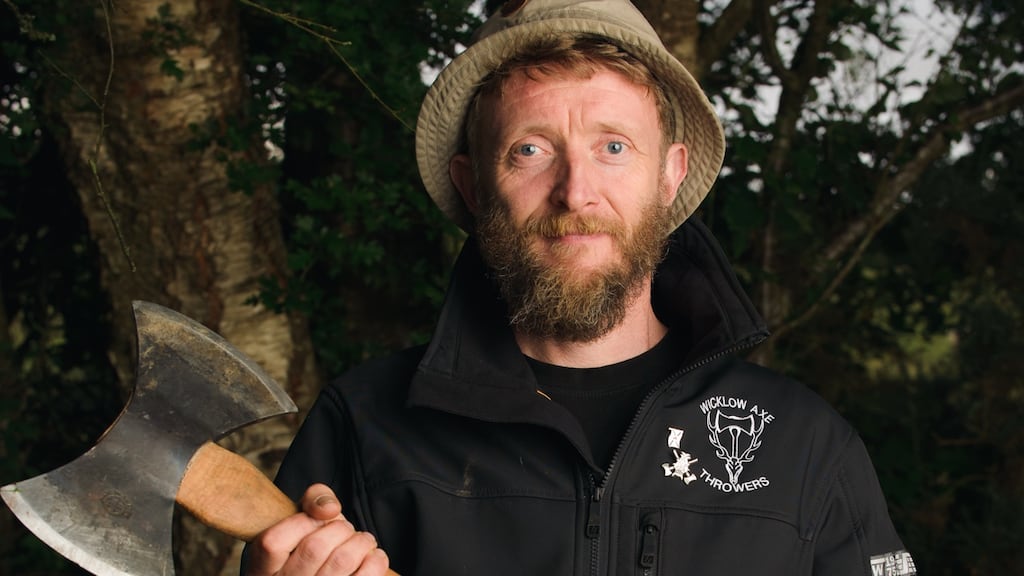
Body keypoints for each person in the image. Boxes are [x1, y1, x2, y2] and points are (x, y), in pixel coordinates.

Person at [242, 0, 916, 574]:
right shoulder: (365, 428)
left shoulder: (805, 447)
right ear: (473, 186)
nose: (576, 192)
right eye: (530, 150)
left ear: (670, 176)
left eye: (613, 147)